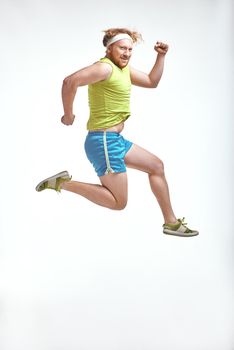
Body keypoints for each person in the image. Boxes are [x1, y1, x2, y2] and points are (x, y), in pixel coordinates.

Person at [36, 27, 198, 237]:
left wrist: (161, 56)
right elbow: (70, 81)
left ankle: (171, 223)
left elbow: (152, 81)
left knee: (156, 166)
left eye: (130, 50)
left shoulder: (124, 70)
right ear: (110, 48)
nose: (127, 53)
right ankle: (63, 183)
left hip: (114, 140)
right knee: (118, 203)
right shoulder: (104, 68)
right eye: (122, 48)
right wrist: (68, 115)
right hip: (103, 141)